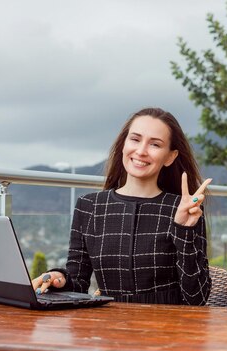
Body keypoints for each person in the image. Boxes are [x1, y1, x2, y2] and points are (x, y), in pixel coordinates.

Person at [32, 107, 212, 306]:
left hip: (169, 329)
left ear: (170, 156)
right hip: (109, 330)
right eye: (135, 139)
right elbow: (78, 285)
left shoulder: (184, 210)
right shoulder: (89, 206)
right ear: (123, 144)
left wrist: (184, 231)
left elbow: (198, 299)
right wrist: (60, 279)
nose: (141, 151)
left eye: (155, 144)